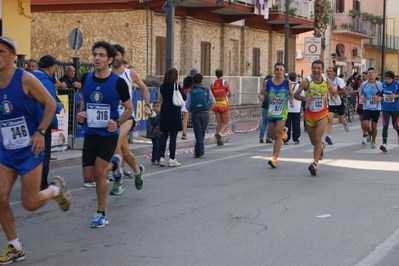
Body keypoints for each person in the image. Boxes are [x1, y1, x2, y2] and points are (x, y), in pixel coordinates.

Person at [0, 37, 71, 264]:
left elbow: (50, 103)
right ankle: (15, 246)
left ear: (12, 55)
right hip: (6, 150)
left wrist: (40, 132)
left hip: (30, 148)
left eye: (1, 52)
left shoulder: (26, 79)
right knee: (0, 198)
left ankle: (55, 190)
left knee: (29, 204)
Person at [76, 41, 133, 228]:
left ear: (110, 60)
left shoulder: (119, 83)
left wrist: (116, 122)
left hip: (109, 134)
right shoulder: (86, 78)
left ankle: (101, 213)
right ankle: (115, 163)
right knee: (89, 177)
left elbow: (128, 109)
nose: (97, 58)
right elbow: (83, 102)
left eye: (101, 55)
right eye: (95, 54)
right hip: (91, 133)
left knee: (99, 172)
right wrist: (81, 115)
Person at [106, 44, 149, 192]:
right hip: (112, 117)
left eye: (116, 55)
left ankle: (118, 181)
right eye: (112, 55)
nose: (114, 58)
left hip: (126, 116)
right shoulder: (106, 74)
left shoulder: (130, 74)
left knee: (114, 143)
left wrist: (147, 105)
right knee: (124, 151)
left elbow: (143, 88)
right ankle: (138, 172)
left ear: (122, 56)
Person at [294, 60, 336, 175]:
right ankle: (321, 146)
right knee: (314, 141)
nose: (316, 70)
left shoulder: (327, 82)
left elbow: (334, 92)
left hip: (322, 113)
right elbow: (295, 95)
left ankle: (315, 164)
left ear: (322, 70)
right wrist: (304, 99)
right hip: (309, 114)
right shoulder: (306, 82)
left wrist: (333, 97)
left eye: (318, 68)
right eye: (314, 68)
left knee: (318, 137)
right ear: (311, 69)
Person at [31, 55, 64, 190]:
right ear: (50, 68)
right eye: (55, 66)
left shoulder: (29, 78)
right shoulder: (46, 82)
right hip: (43, 123)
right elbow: (50, 104)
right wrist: (59, 105)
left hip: (30, 122)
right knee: (44, 155)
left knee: (33, 153)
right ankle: (42, 184)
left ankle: (32, 183)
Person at [258, 63, 293, 168]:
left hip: (282, 112)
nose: (279, 71)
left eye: (281, 69)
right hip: (271, 112)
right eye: (277, 69)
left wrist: (291, 101)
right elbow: (261, 93)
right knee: (273, 136)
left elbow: (291, 94)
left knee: (277, 135)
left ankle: (274, 159)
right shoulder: (267, 82)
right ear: (274, 71)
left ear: (284, 71)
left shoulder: (288, 83)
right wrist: (261, 97)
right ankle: (284, 131)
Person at [158, 68, 187, 167]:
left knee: (164, 136)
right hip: (174, 112)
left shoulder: (162, 87)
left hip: (164, 112)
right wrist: (181, 88)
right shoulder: (176, 86)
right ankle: (172, 158)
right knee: (173, 137)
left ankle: (161, 158)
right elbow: (184, 97)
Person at [186, 73, 215, 158]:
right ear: (202, 80)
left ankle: (198, 151)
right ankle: (199, 151)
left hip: (195, 114)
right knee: (202, 133)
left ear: (193, 81)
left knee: (198, 133)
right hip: (205, 113)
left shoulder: (191, 91)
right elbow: (212, 101)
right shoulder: (206, 89)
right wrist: (207, 109)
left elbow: (187, 104)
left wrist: (191, 110)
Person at [324, 66, 350, 145]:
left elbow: (344, 92)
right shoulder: (325, 81)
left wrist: (334, 92)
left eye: (331, 71)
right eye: (328, 71)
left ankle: (344, 122)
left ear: (334, 73)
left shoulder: (338, 80)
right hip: (330, 103)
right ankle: (329, 136)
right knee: (330, 119)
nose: (329, 73)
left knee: (340, 120)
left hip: (339, 102)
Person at [358, 67, 383, 149]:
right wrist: (362, 97)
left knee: (374, 125)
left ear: (375, 74)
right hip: (367, 107)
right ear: (367, 75)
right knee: (364, 124)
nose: (371, 74)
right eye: (369, 73)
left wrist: (379, 98)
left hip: (376, 108)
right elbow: (360, 93)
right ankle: (369, 132)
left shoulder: (380, 84)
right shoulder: (363, 84)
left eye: (373, 72)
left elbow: (384, 96)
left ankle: (373, 140)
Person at [210, 69, 233, 145]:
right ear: (222, 74)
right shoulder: (225, 83)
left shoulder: (212, 84)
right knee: (226, 123)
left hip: (216, 104)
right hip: (224, 104)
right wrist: (227, 97)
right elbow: (231, 93)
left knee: (219, 122)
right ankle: (220, 133)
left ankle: (219, 141)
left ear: (216, 74)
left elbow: (211, 95)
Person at [379, 71, 399, 152]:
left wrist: (396, 95)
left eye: (389, 79)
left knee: (395, 126)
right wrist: (379, 97)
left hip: (395, 109)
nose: (387, 80)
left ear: (393, 78)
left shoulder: (397, 85)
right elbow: (381, 94)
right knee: (385, 126)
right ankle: (384, 144)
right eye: (386, 78)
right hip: (385, 109)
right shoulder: (383, 84)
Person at [284, 72, 303, 145]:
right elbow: (302, 95)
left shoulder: (287, 85)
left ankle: (286, 139)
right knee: (296, 124)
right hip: (297, 107)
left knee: (287, 124)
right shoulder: (299, 86)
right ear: (296, 78)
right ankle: (296, 139)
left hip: (287, 107)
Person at [351, 70, 368, 144]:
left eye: (365, 73)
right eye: (363, 73)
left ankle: (367, 133)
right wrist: (357, 91)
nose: (364, 74)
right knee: (362, 121)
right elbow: (350, 92)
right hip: (361, 105)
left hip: (370, 106)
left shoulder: (372, 83)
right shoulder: (358, 83)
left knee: (367, 122)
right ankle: (365, 134)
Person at [181, 68, 197, 140]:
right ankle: (197, 132)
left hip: (185, 99)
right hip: (193, 100)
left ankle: (184, 133)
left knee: (185, 118)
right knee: (195, 117)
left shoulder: (186, 80)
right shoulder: (195, 82)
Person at [259, 75, 273, 144]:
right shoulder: (272, 89)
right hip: (270, 107)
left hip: (264, 106)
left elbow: (260, 96)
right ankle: (268, 138)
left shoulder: (264, 89)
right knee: (269, 123)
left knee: (263, 122)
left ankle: (261, 137)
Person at [146, 100, 161, 164]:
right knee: (156, 147)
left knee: (160, 147)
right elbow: (154, 122)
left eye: (158, 106)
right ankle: (154, 159)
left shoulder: (160, 114)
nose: (156, 108)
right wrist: (160, 119)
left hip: (160, 133)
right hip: (154, 134)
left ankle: (159, 158)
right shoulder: (153, 115)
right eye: (154, 106)